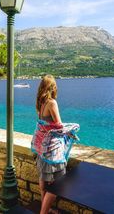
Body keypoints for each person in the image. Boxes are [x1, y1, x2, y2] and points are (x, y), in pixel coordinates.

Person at [31, 75, 80, 214]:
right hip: (52, 150)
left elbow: (46, 124)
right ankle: (44, 212)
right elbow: (58, 125)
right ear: (53, 87)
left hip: (42, 148)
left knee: (43, 180)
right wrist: (71, 129)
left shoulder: (40, 103)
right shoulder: (52, 102)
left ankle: (46, 209)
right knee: (58, 184)